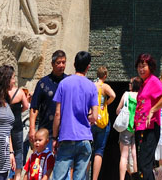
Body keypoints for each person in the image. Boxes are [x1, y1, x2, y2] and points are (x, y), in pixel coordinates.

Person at [51, 50, 99, 180]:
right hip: (84, 138)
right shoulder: (92, 87)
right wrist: (86, 117)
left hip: (67, 137)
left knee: (58, 176)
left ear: (74, 64)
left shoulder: (64, 83)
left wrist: (54, 137)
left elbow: (57, 114)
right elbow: (95, 115)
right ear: (88, 67)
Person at [134, 53, 162, 180]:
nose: (141, 69)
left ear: (150, 67)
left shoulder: (153, 81)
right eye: (139, 66)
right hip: (141, 128)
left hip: (150, 128)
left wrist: (153, 110)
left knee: (145, 164)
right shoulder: (144, 83)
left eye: (144, 66)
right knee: (143, 164)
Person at [30, 51, 68, 149]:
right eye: (58, 63)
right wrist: (32, 128)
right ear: (52, 64)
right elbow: (34, 107)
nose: (61, 65)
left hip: (65, 133)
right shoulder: (43, 83)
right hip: (46, 134)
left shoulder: (69, 83)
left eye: (63, 62)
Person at [92, 66, 116, 180]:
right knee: (99, 151)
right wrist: (106, 102)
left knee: (87, 149)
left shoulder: (91, 85)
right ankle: (95, 178)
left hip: (92, 120)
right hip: (103, 121)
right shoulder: (104, 86)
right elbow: (113, 95)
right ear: (105, 76)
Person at [116, 77, 141, 180]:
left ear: (134, 84)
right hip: (137, 127)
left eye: (130, 83)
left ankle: (122, 178)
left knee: (124, 156)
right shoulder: (140, 96)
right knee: (135, 154)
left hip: (126, 127)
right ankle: (135, 176)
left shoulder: (126, 95)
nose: (129, 85)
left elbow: (118, 110)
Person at [9, 80, 31, 180]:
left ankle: (11, 176)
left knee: (10, 151)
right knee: (18, 152)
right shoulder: (20, 93)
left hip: (7, 125)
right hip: (17, 127)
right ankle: (16, 176)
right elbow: (26, 106)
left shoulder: (1, 92)